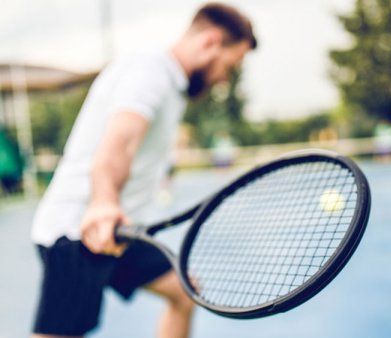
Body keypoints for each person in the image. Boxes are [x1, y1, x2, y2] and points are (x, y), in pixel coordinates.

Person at [30, 3, 257, 337]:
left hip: (123, 230)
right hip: (81, 231)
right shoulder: (150, 71)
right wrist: (104, 202)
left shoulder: (173, 84)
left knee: (184, 292)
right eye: (230, 64)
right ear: (211, 41)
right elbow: (120, 142)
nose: (225, 77)